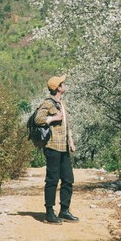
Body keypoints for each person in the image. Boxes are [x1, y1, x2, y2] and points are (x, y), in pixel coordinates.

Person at [35, 75, 78, 224]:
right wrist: (53, 119)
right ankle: (49, 212)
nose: (64, 85)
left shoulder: (62, 103)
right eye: (62, 83)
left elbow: (67, 125)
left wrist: (71, 141)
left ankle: (64, 210)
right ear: (58, 87)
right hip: (52, 146)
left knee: (68, 179)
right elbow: (38, 119)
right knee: (52, 180)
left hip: (64, 147)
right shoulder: (47, 103)